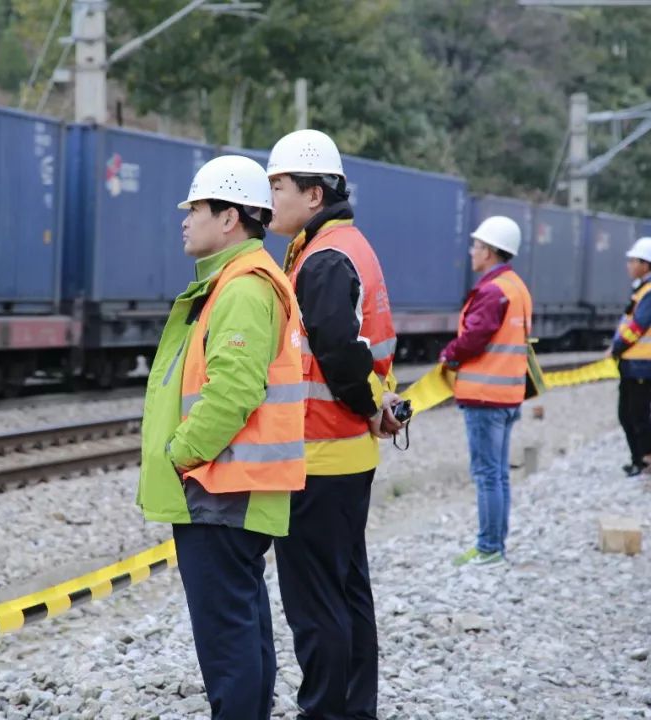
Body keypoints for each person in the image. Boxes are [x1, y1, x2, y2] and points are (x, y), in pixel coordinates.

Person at [136, 154, 306, 720]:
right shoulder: (236, 281)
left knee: (226, 638)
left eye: (197, 209)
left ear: (229, 217)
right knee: (243, 623)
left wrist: (181, 454)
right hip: (228, 483)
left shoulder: (241, 289)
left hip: (219, 484)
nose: (185, 220)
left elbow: (233, 391)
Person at [267, 129, 400, 720]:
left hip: (320, 455)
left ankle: (324, 711)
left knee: (315, 603)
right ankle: (354, 710)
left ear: (314, 194)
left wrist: (371, 404)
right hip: (345, 455)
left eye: (278, 186)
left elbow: (342, 354)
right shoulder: (342, 244)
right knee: (347, 594)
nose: (268, 197)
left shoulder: (322, 259)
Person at [439, 216, 532, 568]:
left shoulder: (492, 291)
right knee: (499, 474)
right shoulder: (517, 287)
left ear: (490, 252)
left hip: (485, 397)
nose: (472, 251)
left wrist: (449, 355)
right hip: (508, 396)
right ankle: (496, 544)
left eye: (476, 246)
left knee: (487, 474)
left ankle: (489, 547)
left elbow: (474, 338)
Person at [610, 236, 651, 477]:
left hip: (643, 364)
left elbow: (638, 326)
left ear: (646, 264)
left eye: (632, 260)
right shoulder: (646, 288)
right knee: (627, 412)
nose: (629, 265)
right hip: (634, 363)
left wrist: (617, 346)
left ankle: (646, 461)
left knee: (638, 413)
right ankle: (638, 459)